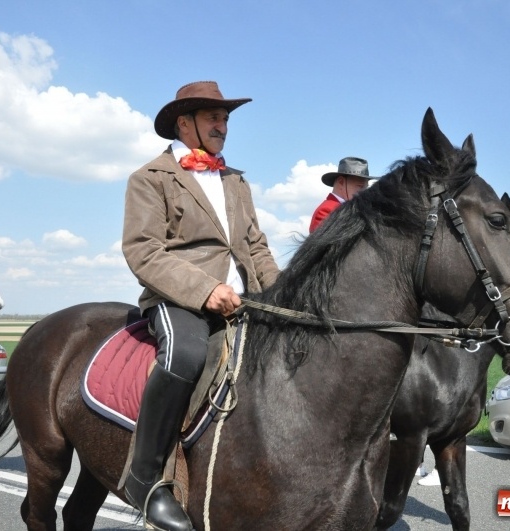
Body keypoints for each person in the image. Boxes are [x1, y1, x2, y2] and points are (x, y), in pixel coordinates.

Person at [122, 81, 279, 530]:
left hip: (240, 301)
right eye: (214, 117)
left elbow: (257, 247)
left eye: (226, 118)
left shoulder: (235, 181)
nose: (223, 125)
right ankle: (147, 479)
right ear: (183, 123)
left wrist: (283, 297)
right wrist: (205, 290)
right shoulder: (150, 178)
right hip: (178, 301)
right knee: (184, 355)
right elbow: (143, 252)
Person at [309, 156, 377, 232]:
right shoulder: (325, 211)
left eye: (365, 187)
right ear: (341, 182)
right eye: (360, 186)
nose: (364, 192)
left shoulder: (354, 209)